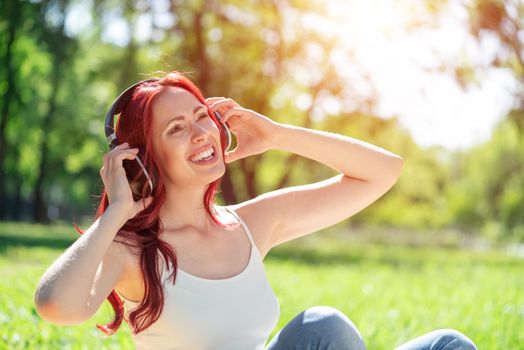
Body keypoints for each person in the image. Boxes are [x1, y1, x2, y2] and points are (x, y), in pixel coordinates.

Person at [33, 71, 477, 350]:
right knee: (324, 326)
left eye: (202, 116)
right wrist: (115, 216)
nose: (202, 132)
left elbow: (382, 171)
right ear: (144, 159)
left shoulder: (248, 224)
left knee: (448, 344)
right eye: (177, 128)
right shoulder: (129, 249)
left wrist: (277, 135)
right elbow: (56, 306)